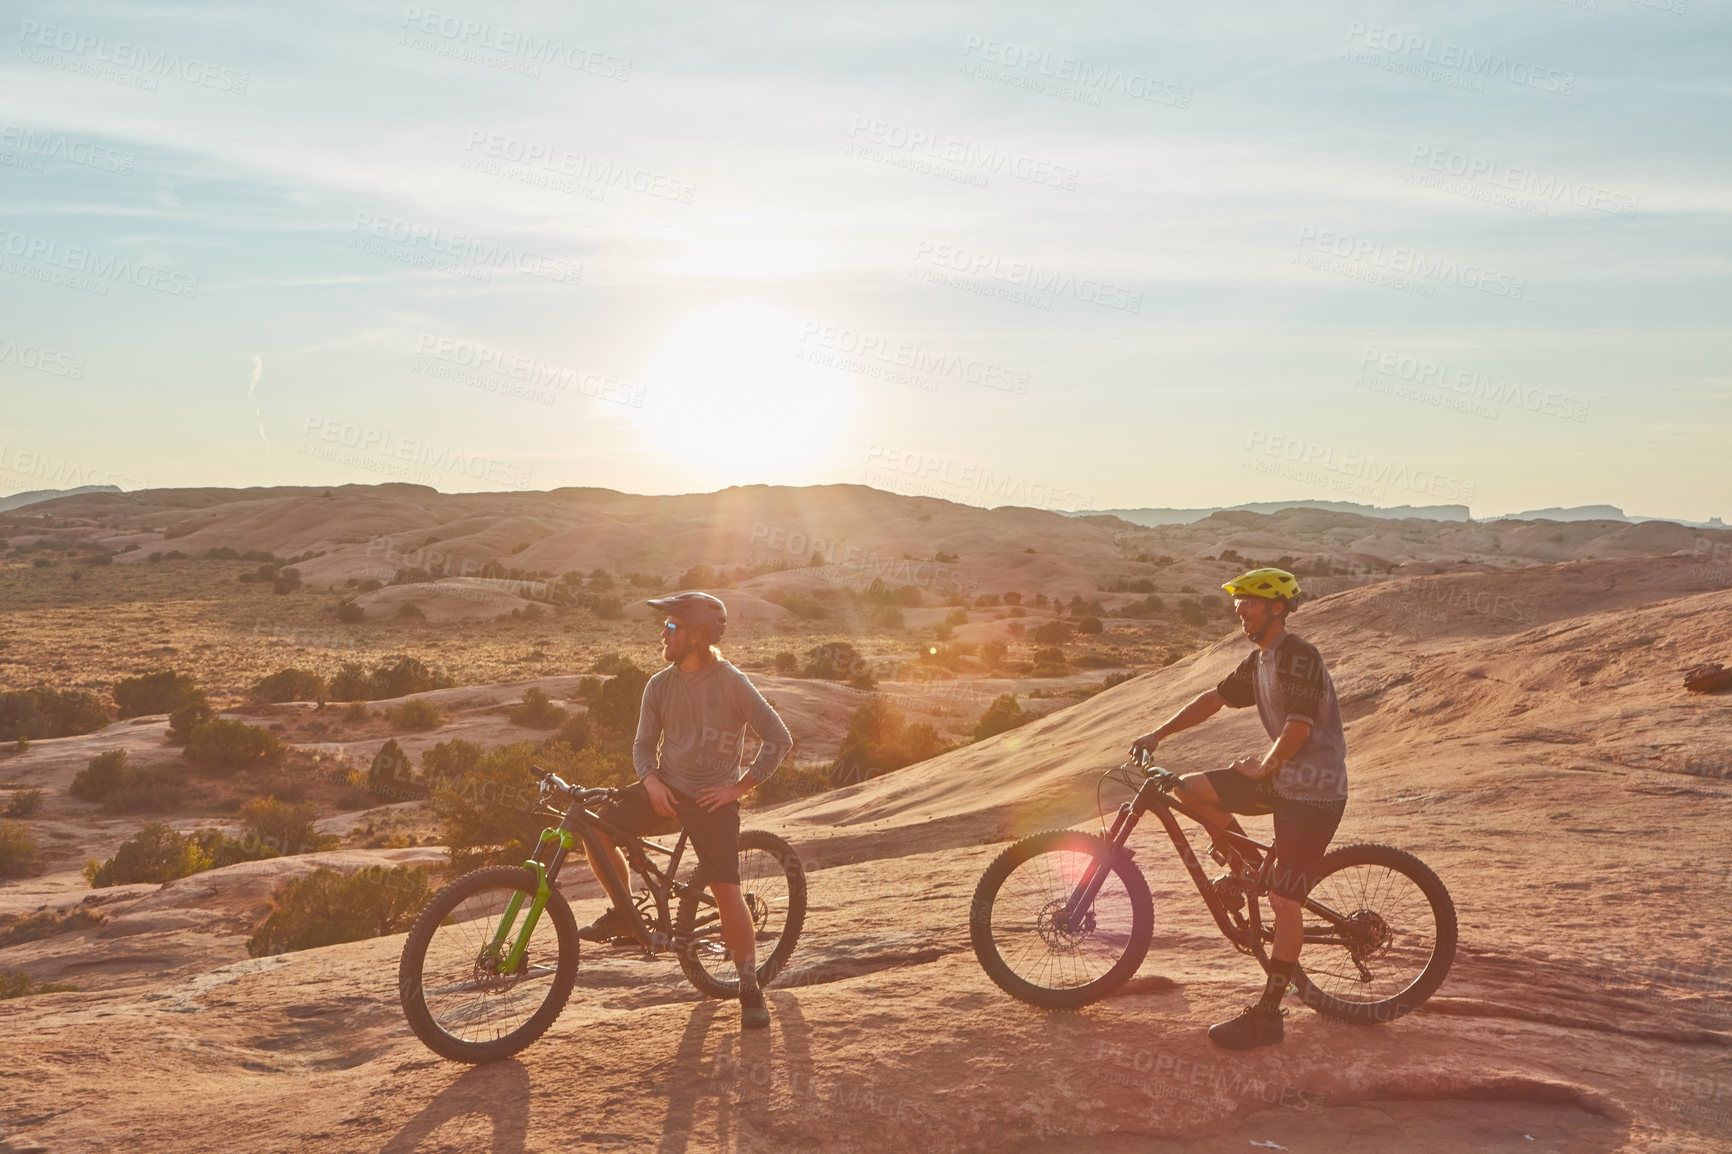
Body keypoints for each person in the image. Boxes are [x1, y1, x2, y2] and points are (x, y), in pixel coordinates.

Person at [1129, 567, 1348, 1050]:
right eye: (1238, 603)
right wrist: (1157, 734)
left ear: (1276, 607)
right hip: (1280, 782)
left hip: (1313, 791)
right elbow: (1214, 699)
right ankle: (1248, 869)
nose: (1239, 609)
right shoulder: (1263, 660)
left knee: (1285, 903)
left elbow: (1299, 728)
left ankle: (1269, 1018)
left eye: (1249, 601)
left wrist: (1263, 767)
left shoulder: (1299, 657)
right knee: (1189, 788)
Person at [575, 591, 793, 1030]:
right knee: (594, 828)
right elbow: (642, 746)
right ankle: (624, 912)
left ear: (695, 636)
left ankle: (749, 986)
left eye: (671, 628)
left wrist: (738, 789)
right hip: (666, 791)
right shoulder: (659, 685)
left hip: (712, 801)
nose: (662, 634)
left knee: (726, 889)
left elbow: (779, 737)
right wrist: (651, 781)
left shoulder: (731, 682)